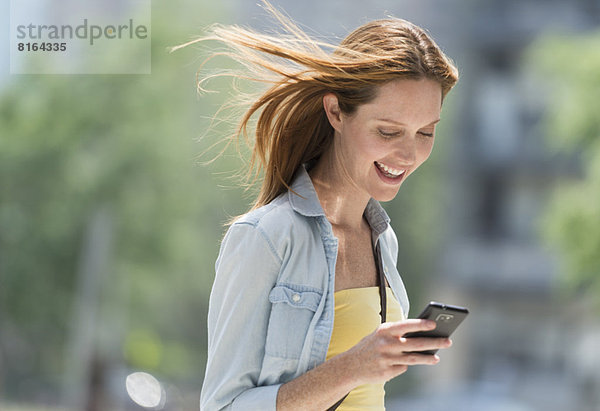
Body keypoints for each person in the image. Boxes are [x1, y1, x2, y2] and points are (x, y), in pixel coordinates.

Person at [175, 2, 459, 409]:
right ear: (336, 111)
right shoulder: (265, 238)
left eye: (425, 133)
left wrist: (372, 366)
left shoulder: (383, 240)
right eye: (388, 131)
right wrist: (354, 366)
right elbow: (222, 405)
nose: (408, 154)